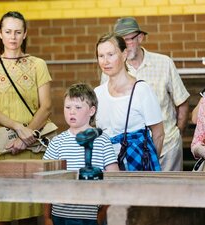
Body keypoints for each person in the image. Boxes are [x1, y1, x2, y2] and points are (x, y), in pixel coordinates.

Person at [0, 11, 52, 225]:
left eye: (18, 32)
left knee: (29, 211)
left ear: (25, 34)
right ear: (0, 34)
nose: (13, 37)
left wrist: (25, 138)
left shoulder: (38, 64)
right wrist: (19, 128)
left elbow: (46, 107)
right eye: (8, 31)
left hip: (30, 145)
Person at [101, 17, 190, 171]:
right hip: (133, 151)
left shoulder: (164, 63)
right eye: (121, 41)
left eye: (129, 39)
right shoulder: (111, 70)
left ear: (140, 37)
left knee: (172, 192)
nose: (126, 45)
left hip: (168, 145)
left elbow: (181, 102)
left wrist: (177, 134)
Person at [43, 83, 118, 225]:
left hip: (91, 216)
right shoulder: (57, 142)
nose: (72, 112)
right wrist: (47, 216)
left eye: (78, 107)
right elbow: (46, 180)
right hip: (60, 215)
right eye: (68, 107)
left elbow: (114, 179)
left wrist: (102, 213)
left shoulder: (102, 141)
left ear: (91, 111)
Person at [95, 33, 164, 171]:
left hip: (136, 165)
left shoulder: (141, 90)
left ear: (124, 54)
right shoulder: (97, 93)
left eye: (110, 54)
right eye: (101, 56)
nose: (105, 61)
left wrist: (148, 163)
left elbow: (159, 134)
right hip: (106, 167)